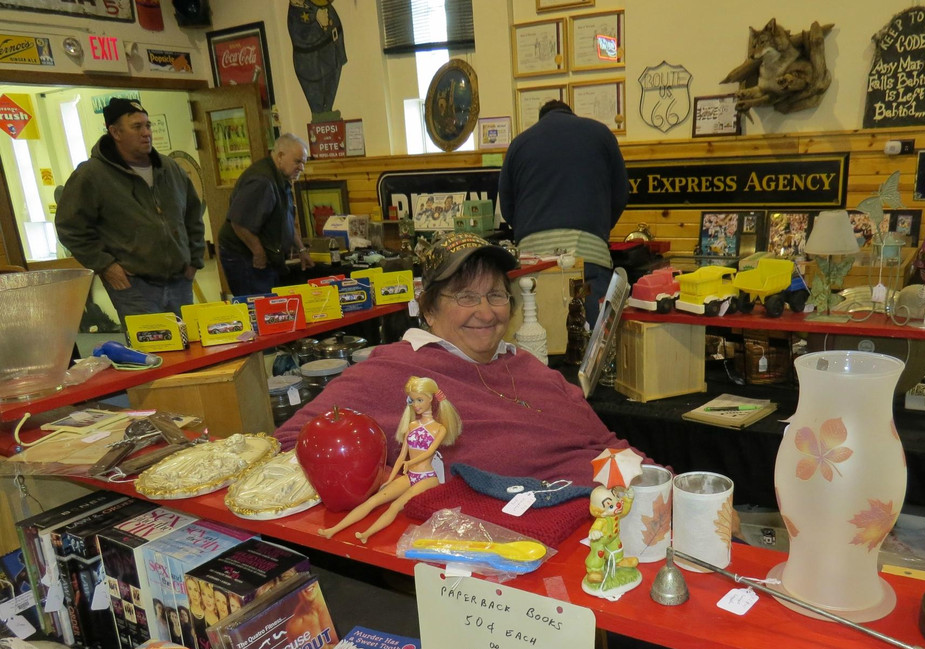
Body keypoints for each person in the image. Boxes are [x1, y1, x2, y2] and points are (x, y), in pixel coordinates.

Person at [275, 232, 644, 493]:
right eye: (466, 297)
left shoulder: (526, 366)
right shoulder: (393, 371)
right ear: (430, 309)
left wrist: (660, 485)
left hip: (606, 510)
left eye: (496, 295)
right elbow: (292, 443)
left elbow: (605, 443)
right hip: (504, 545)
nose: (485, 312)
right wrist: (399, 485)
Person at [55, 97, 205, 328]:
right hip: (135, 286)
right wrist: (106, 266)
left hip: (179, 281)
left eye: (147, 125)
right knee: (154, 355)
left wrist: (194, 259)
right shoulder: (92, 175)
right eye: (136, 127)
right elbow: (71, 227)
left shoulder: (170, 169)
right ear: (115, 132)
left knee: (190, 349)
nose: (146, 133)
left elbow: (192, 217)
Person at [498, 100, 629, 325]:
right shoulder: (600, 134)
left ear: (541, 119)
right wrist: (598, 228)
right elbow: (621, 195)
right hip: (588, 258)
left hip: (533, 264)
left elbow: (507, 208)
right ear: (571, 114)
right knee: (593, 343)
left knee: (536, 340)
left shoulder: (519, 144)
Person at [317, 376, 462, 543]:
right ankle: (333, 530)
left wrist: (410, 462)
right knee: (375, 500)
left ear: (430, 399)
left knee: (395, 506)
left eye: (420, 400)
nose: (416, 405)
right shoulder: (412, 426)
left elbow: (429, 452)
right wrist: (391, 478)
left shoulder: (439, 429)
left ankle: (366, 534)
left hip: (427, 477)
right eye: (412, 400)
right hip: (410, 475)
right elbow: (401, 456)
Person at [217, 133, 314, 296]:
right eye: (298, 162)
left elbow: (286, 220)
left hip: (265, 257)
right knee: (259, 310)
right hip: (244, 257)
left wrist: (302, 249)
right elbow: (238, 222)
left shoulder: (281, 178)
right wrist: (258, 253)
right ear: (281, 156)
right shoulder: (262, 181)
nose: (302, 168)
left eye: (303, 163)